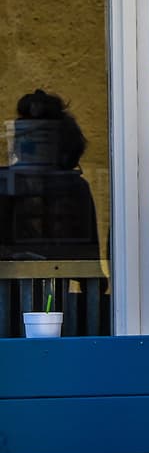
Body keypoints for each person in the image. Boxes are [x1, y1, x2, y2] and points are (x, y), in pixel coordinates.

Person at [0, 88, 106, 336]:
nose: (27, 145)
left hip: (55, 316)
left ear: (60, 147)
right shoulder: (4, 185)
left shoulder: (75, 189)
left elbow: (93, 272)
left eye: (41, 138)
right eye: (23, 136)